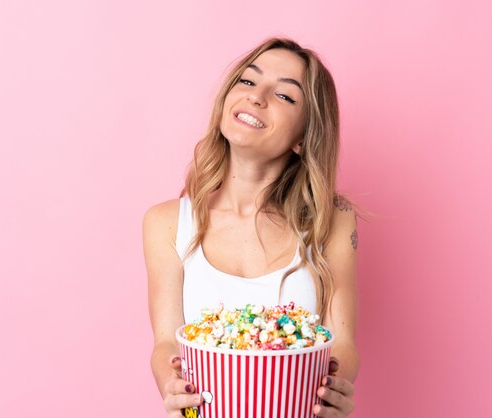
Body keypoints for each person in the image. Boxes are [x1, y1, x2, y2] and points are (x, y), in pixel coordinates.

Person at [143, 37, 362, 417]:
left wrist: (334, 392)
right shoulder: (166, 223)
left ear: (302, 138)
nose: (256, 97)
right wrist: (173, 388)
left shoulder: (333, 221)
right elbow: (166, 342)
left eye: (285, 96)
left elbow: (342, 343)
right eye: (247, 81)